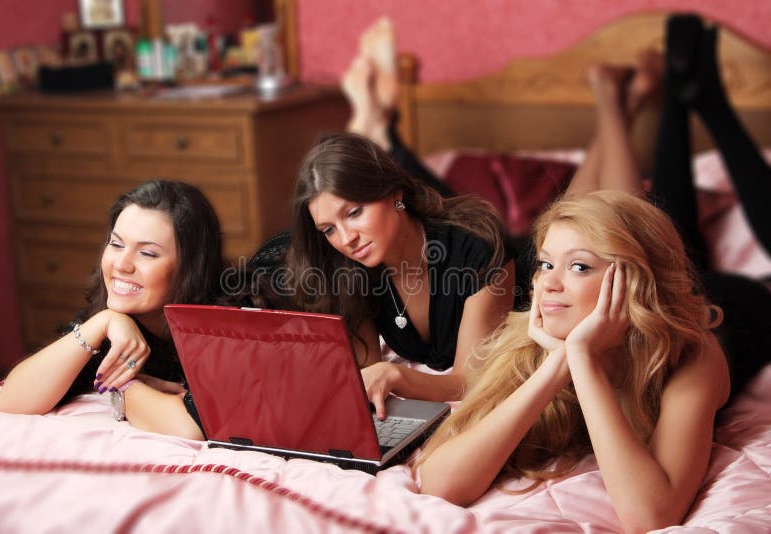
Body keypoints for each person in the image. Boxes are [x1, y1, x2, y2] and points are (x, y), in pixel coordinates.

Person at [415, 190, 730, 533]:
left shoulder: (693, 353)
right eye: (546, 264)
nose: (547, 284)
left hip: (739, 310)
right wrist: (560, 362)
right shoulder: (528, 342)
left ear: (635, 282)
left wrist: (582, 358)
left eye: (579, 267)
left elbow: (651, 517)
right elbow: (439, 484)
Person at [565, 13, 771, 396]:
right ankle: (693, 98)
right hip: (718, 303)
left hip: (702, 303)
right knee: (651, 245)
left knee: (638, 241)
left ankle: (687, 96)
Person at [288, 133, 515, 418]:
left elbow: (470, 382)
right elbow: (368, 374)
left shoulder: (476, 249)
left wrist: (396, 376)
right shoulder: (352, 270)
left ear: (394, 192)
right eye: (329, 230)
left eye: (354, 212)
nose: (347, 239)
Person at [0, 180, 226, 440]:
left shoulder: (226, 323)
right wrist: (100, 323)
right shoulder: (112, 323)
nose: (122, 265)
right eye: (116, 245)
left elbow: (189, 428)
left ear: (191, 267)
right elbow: (12, 401)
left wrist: (122, 385)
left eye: (148, 253)